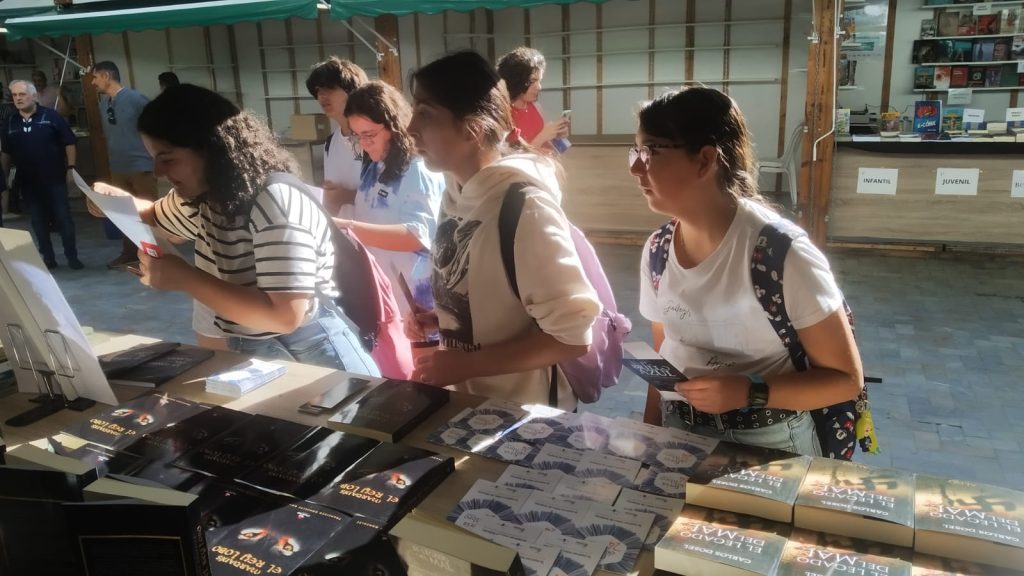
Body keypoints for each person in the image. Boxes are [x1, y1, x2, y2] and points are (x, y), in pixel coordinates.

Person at [634, 87, 863, 455]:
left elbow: (845, 380)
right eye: (636, 152)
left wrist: (749, 391)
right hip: (678, 428)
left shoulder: (781, 256)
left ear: (705, 160)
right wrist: (651, 432)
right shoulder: (658, 251)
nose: (636, 168)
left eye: (651, 152)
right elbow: (665, 354)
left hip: (769, 440)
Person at [89, 84, 379, 375]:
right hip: (257, 347)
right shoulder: (209, 195)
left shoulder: (274, 201)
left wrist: (184, 277)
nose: (158, 173)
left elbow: (285, 316)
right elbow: (154, 215)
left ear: (212, 148)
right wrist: (112, 201)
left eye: (168, 159)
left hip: (315, 356)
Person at [406, 51, 599, 411]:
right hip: (469, 405)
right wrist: (444, 318)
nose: (409, 127)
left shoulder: (525, 209)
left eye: (425, 113)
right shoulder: (453, 196)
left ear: (472, 129)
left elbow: (572, 338)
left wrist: (468, 363)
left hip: (523, 416)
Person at [337, 81, 445, 332]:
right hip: (385, 295)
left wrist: (346, 227)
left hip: (419, 303)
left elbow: (417, 235)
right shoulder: (374, 168)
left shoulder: (419, 170)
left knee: (421, 369)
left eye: (369, 134)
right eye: (357, 135)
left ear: (394, 127)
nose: (363, 142)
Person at [0, 80, 82, 269]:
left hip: (54, 180)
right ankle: (48, 258)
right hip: (28, 182)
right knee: (38, 222)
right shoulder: (10, 121)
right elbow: (6, 152)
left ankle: (72, 257)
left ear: (34, 96)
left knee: (64, 219)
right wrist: (4, 178)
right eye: (15, 95)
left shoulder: (51, 116)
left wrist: (71, 168)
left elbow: (69, 142)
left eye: (22, 94)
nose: (18, 98)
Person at [90, 61, 160, 270]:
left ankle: (157, 257)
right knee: (124, 214)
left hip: (141, 166)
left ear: (107, 76)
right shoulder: (103, 104)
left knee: (148, 212)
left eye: (95, 77)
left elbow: (155, 126)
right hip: (118, 167)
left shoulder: (137, 100)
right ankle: (130, 254)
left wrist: (155, 157)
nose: (93, 82)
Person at [305, 57, 368, 216]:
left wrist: (347, 196)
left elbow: (396, 194)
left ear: (352, 89)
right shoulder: (330, 143)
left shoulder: (374, 140)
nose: (321, 95)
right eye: (318, 90)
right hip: (341, 236)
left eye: (329, 87)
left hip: (373, 237)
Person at [496, 47, 568, 150]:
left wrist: (557, 135)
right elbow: (511, 159)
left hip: (544, 164)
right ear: (515, 80)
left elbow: (547, 141)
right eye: (532, 81)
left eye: (539, 81)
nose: (539, 87)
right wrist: (543, 136)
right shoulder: (502, 116)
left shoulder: (536, 106)